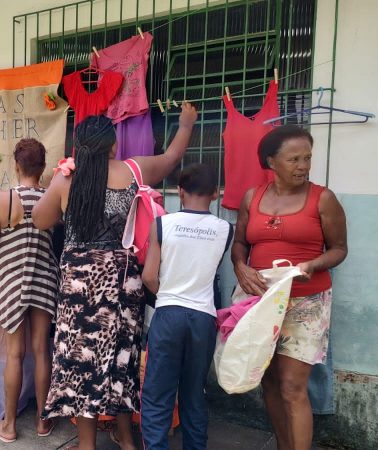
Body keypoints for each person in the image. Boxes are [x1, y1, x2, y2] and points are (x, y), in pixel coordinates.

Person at [33, 104, 197, 450]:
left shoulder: (67, 178)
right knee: (122, 357)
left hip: (79, 286)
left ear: (78, 146)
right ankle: (126, 437)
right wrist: (185, 124)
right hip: (122, 280)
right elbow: (171, 158)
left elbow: (40, 220)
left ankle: (86, 445)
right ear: (113, 145)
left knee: (82, 361)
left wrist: (59, 178)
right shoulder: (133, 170)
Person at [231, 125, 347, 450]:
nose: (303, 166)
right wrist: (240, 266)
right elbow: (239, 243)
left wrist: (314, 264)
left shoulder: (323, 199)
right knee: (268, 381)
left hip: (306, 302)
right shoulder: (253, 197)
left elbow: (339, 249)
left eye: (307, 158)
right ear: (271, 161)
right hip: (261, 301)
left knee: (292, 387)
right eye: (294, 159)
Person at [140, 163, 233, 450]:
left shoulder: (162, 224)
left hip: (168, 315)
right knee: (194, 395)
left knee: (158, 395)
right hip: (203, 318)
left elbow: (149, 277)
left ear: (180, 192)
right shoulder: (225, 229)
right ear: (215, 194)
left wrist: (168, 295)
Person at [0, 138, 60, 442]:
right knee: (42, 350)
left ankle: (10, 425)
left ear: (16, 166)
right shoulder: (51, 198)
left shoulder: (2, 199)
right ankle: (43, 421)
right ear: (43, 167)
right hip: (43, 279)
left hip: (12, 281)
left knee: (15, 354)